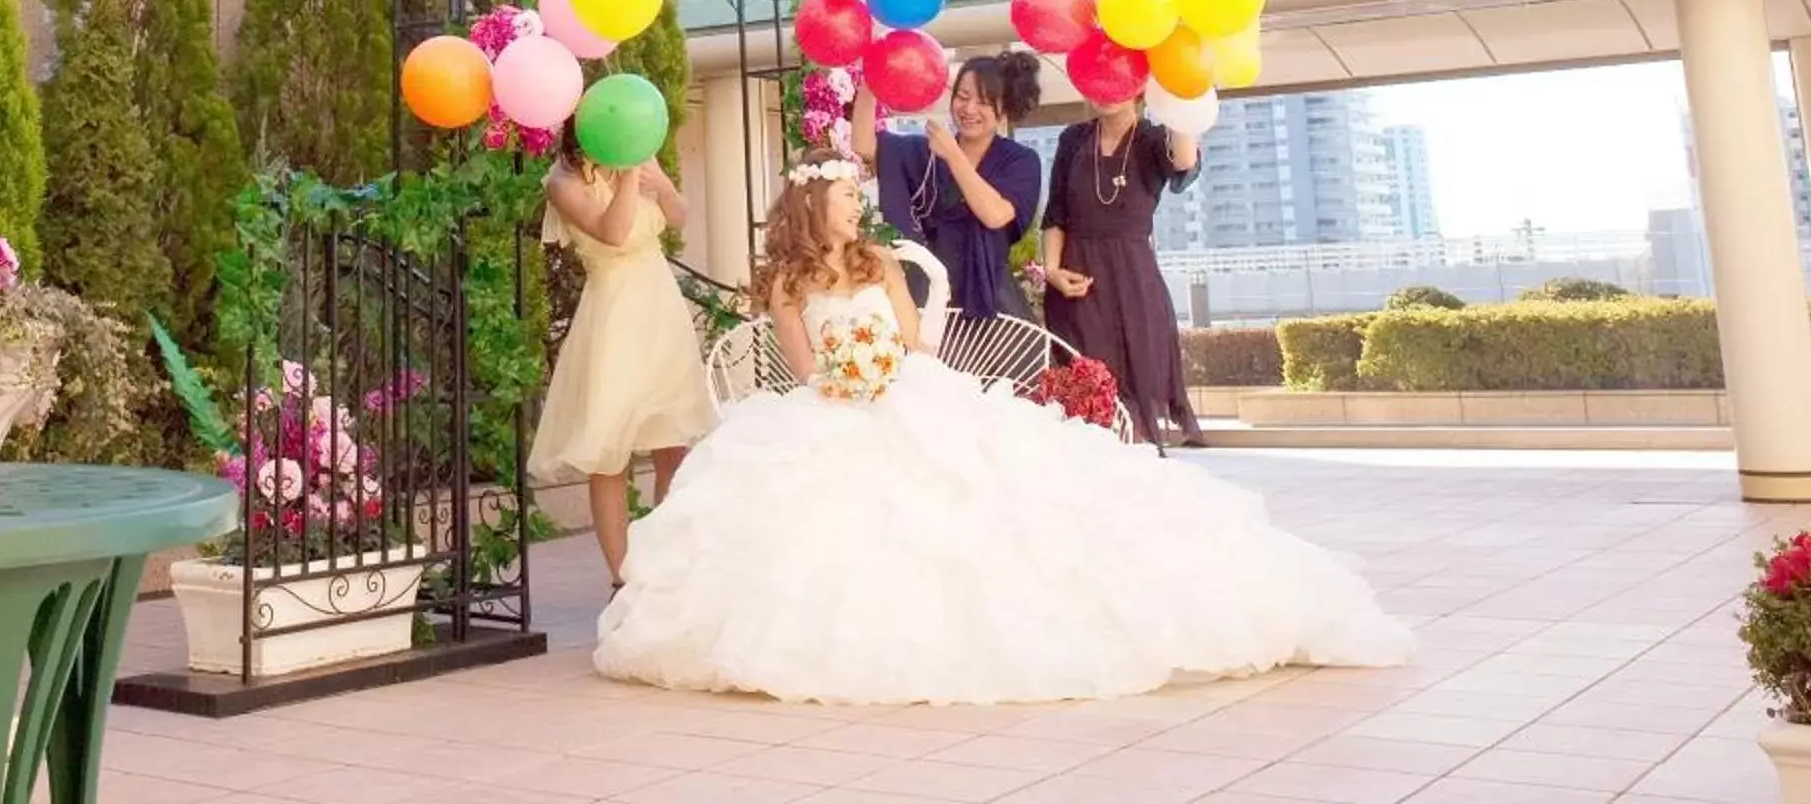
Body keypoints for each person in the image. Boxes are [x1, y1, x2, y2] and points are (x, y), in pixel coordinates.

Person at [594, 151, 1411, 705]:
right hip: (829, 404)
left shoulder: (881, 264)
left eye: (856, 196)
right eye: (847, 196)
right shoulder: (785, 280)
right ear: (816, 204)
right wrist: (843, 374)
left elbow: (916, 340)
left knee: (980, 488)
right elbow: (801, 363)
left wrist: (880, 361)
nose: (857, 205)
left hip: (903, 388)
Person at [531, 138, 716, 589]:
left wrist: (664, 186)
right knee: (609, 452)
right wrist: (630, 176)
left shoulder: (638, 156)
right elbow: (613, 232)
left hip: (660, 309)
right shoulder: (564, 180)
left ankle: (666, 559)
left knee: (673, 443)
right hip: (614, 314)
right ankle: (622, 577)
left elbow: (677, 217)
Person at [1042, 89, 1205, 446]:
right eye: (1099, 80)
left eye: (1116, 80)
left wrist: (1180, 90)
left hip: (1134, 281)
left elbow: (1184, 162)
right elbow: (1055, 213)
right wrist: (1051, 270)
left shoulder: (1153, 139)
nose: (1106, 90)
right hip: (1077, 282)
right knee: (1083, 391)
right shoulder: (1074, 139)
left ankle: (1135, 482)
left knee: (1135, 388)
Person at [849, 52, 1044, 324]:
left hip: (991, 298)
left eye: (984, 102)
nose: (969, 109)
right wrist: (870, 84)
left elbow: (995, 215)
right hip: (926, 295)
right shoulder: (925, 151)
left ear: (1005, 109)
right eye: (963, 97)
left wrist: (953, 156)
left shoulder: (1021, 160)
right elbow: (863, 145)